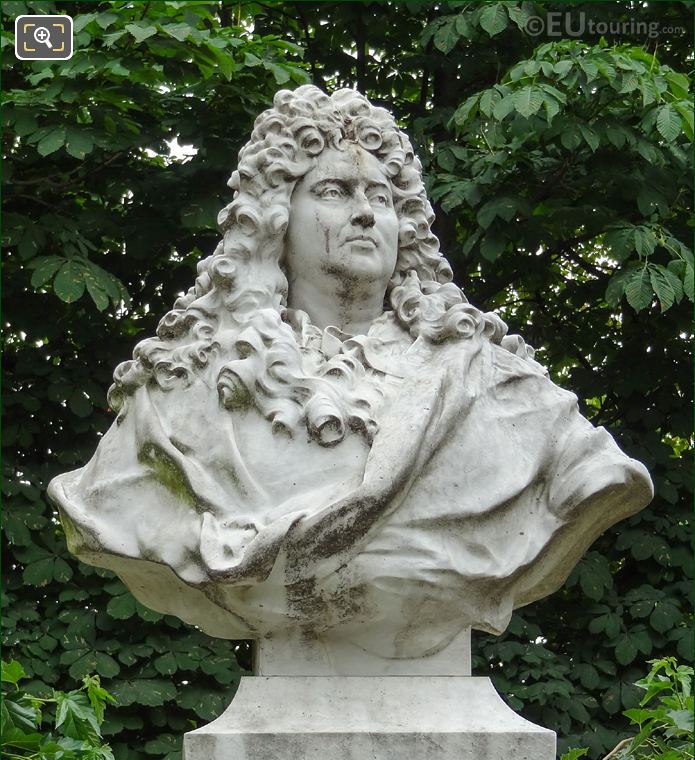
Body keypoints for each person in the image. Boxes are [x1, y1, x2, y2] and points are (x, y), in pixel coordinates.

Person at [48, 86, 652, 665]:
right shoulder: (185, 390)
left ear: (405, 225)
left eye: (383, 198)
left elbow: (596, 477)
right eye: (334, 191)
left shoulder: (498, 383)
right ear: (277, 219)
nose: (365, 214)